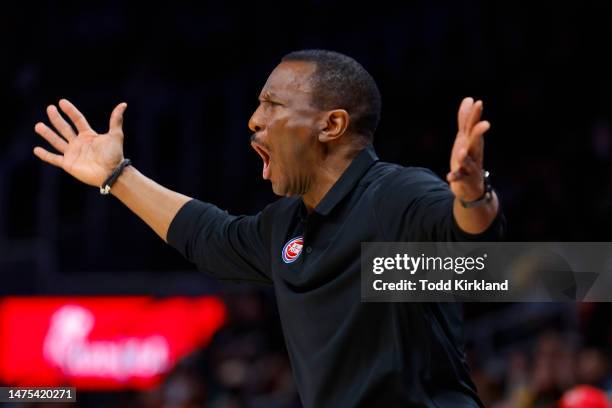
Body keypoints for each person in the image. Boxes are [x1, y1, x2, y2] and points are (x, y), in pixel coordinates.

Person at [33, 49, 504, 407]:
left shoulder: (394, 194)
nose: (254, 120)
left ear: (332, 124)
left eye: (272, 104)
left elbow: (473, 242)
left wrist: (471, 195)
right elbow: (208, 236)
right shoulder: (287, 225)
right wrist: (119, 177)